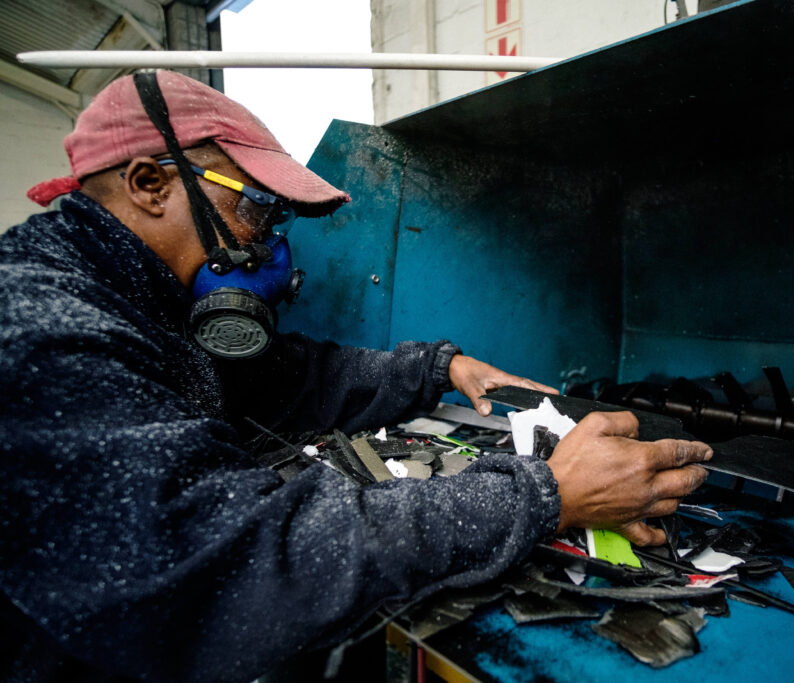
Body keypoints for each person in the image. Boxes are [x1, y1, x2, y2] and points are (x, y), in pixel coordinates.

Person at [0, 70, 713, 682]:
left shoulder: (136, 301)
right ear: (150, 184)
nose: (268, 244)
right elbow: (238, 565)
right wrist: (546, 494)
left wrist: (436, 367)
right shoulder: (45, 334)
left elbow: (285, 377)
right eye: (255, 210)